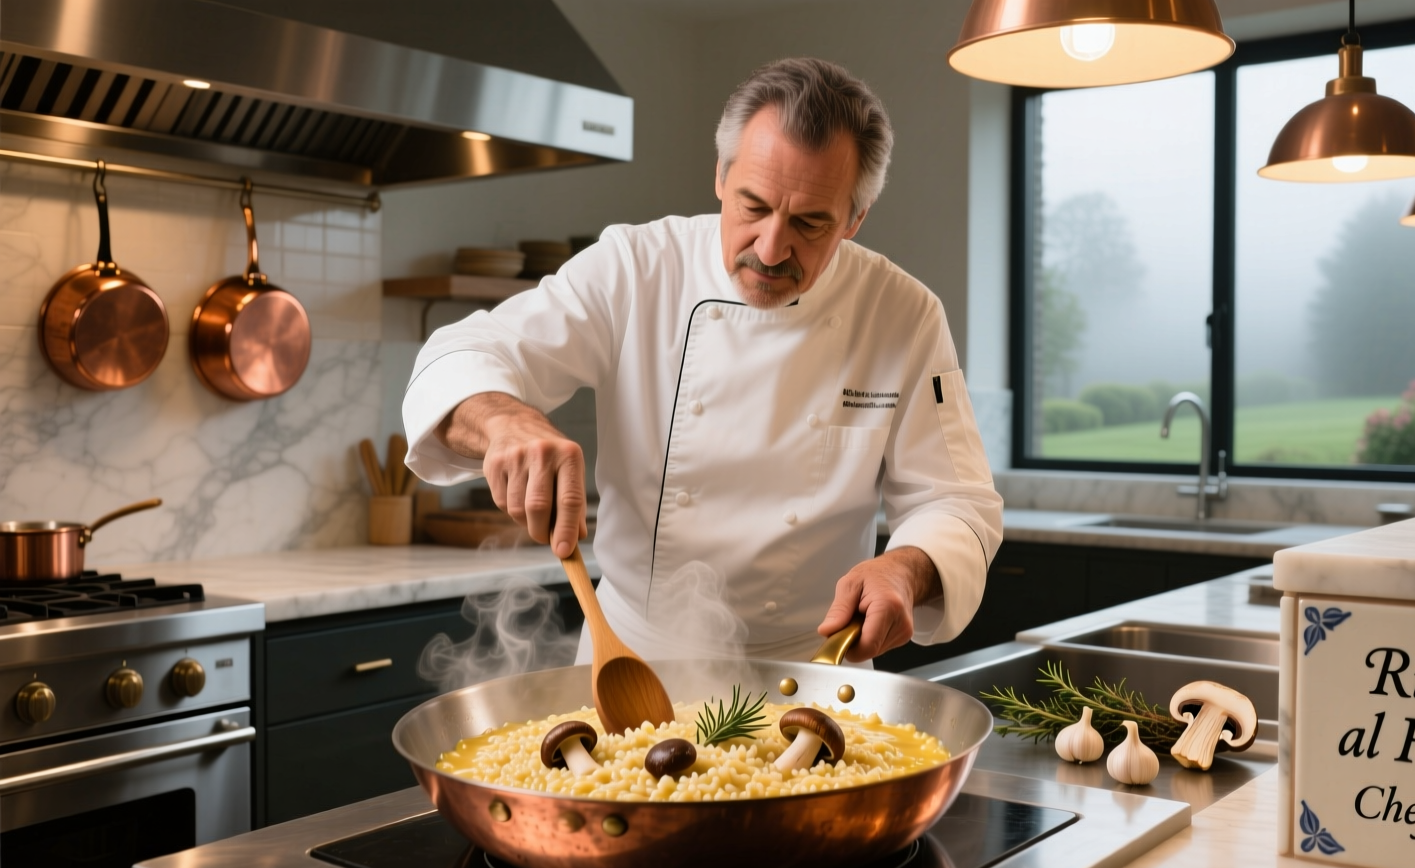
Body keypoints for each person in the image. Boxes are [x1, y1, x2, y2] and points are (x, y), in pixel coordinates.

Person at [404, 58, 1002, 665]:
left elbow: (957, 501)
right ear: (719, 176)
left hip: (815, 667)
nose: (771, 248)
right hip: (634, 659)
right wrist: (505, 420)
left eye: (810, 223)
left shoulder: (901, 313)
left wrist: (906, 569)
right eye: (753, 206)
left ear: (855, 219)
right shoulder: (636, 268)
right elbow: (464, 354)